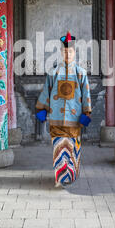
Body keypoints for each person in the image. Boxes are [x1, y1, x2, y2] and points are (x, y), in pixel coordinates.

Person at [35, 31, 92, 188]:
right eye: (65, 51)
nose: (68, 54)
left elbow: (86, 94)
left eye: (71, 51)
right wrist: (42, 109)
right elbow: (46, 92)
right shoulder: (53, 73)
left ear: (75, 52)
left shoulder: (81, 73)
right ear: (61, 52)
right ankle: (60, 176)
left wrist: (86, 112)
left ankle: (71, 175)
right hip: (56, 118)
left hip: (74, 120)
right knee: (59, 147)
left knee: (73, 147)